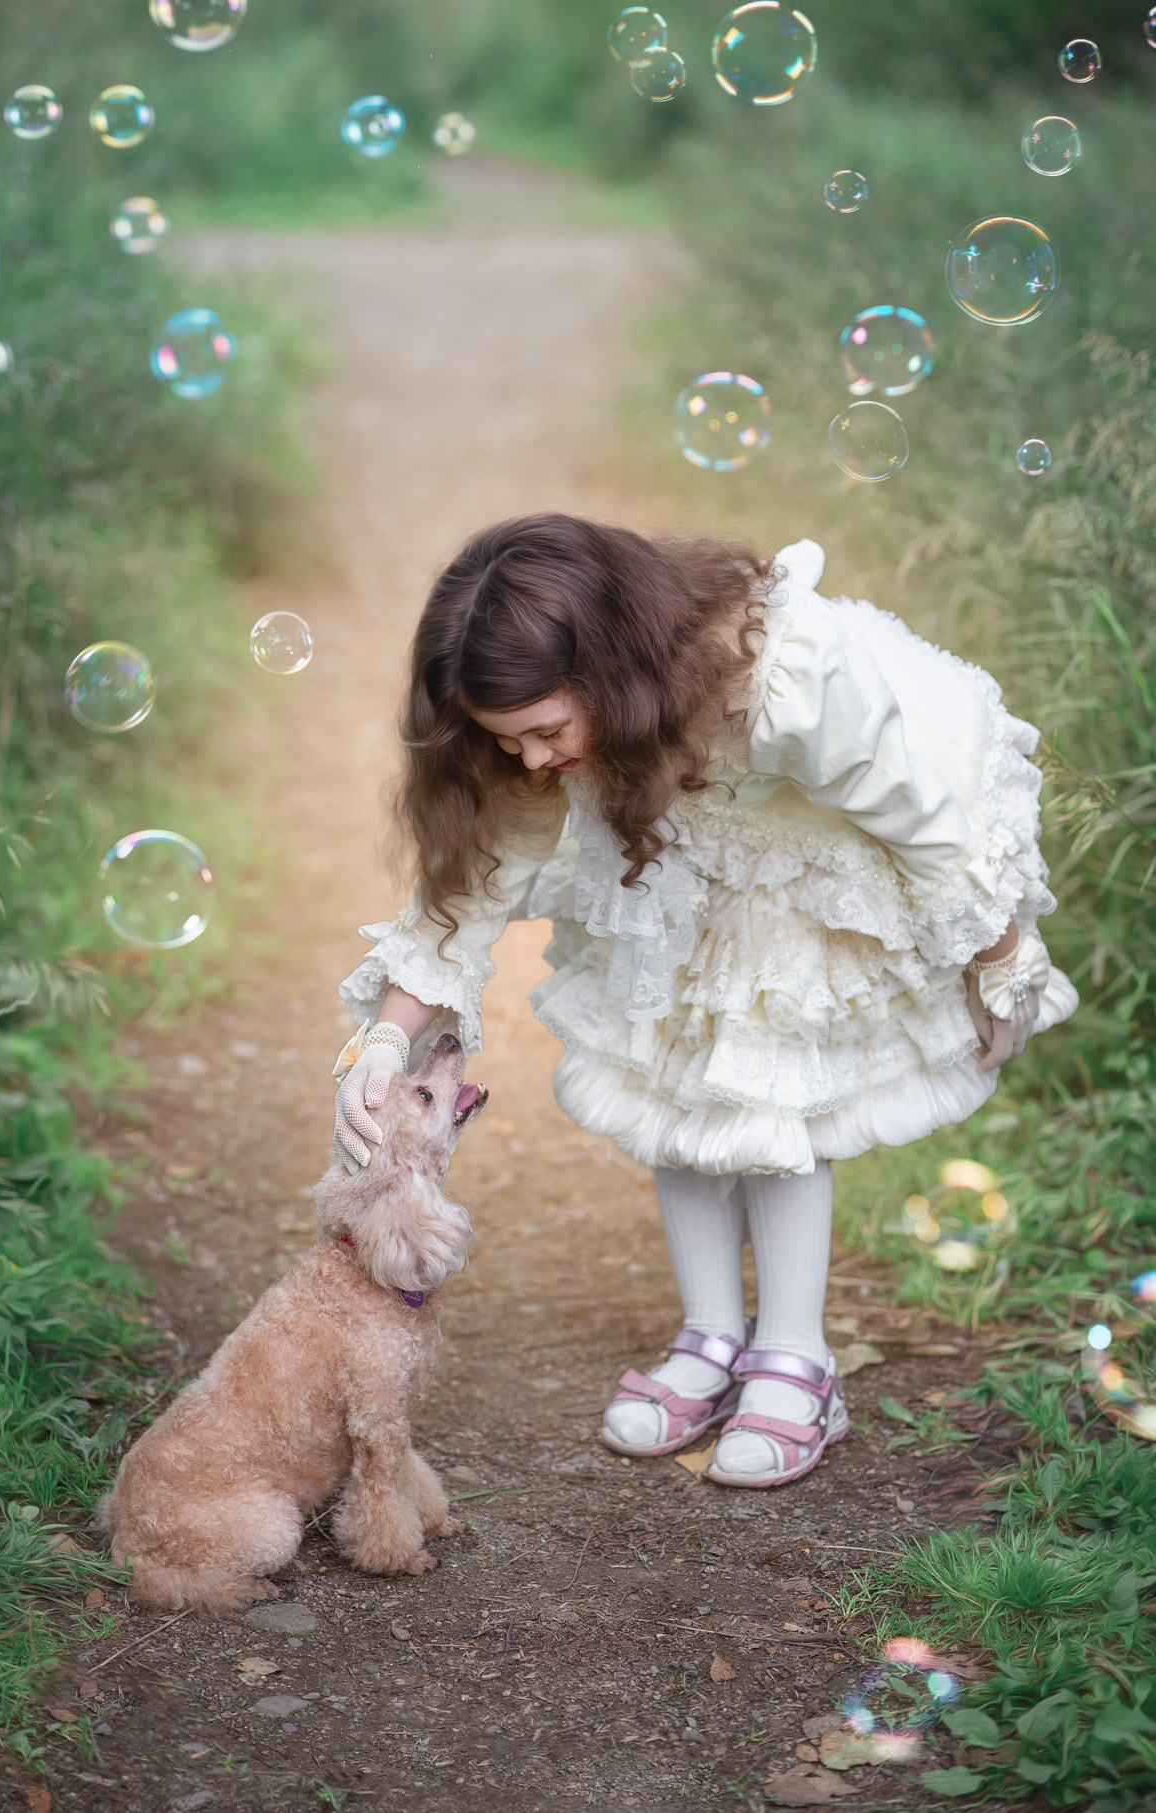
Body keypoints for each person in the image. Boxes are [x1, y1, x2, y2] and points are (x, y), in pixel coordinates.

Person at [332, 513, 1077, 1488]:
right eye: (507, 742)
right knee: (673, 1078)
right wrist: (385, 1042)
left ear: (611, 674)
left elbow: (919, 818)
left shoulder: (778, 677)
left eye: (546, 732)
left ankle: (797, 1357)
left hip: (826, 850)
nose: (530, 760)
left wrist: (1000, 952)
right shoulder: (548, 741)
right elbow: (469, 889)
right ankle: (714, 1335)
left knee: (772, 1095)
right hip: (680, 856)